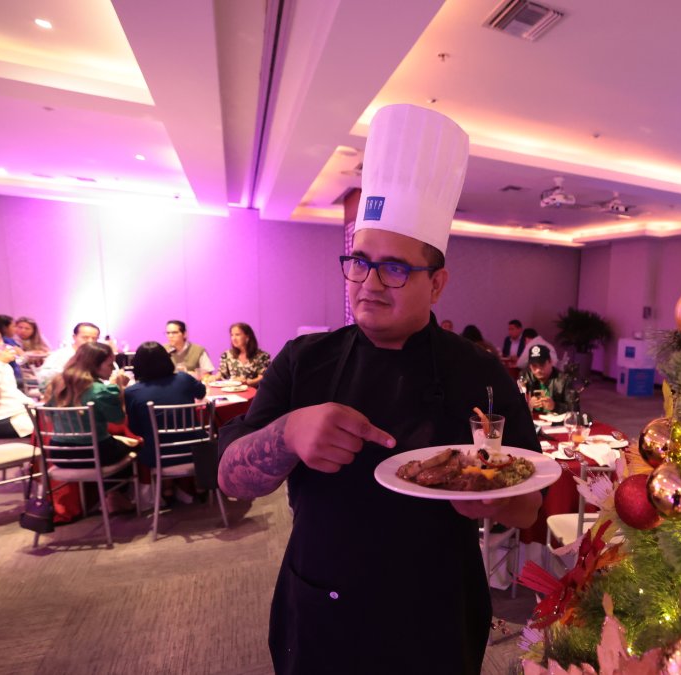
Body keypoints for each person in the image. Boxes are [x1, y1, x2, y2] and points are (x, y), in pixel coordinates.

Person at [217, 104, 540, 674]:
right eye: (359, 262)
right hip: (323, 601)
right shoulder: (304, 360)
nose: (369, 283)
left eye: (395, 269)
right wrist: (289, 433)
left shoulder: (481, 371)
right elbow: (231, 479)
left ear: (436, 283)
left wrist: (500, 498)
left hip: (437, 610)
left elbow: (530, 501)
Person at [43, 342, 136, 512]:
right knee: (134, 448)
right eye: (109, 365)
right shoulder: (99, 390)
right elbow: (118, 420)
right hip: (94, 452)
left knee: (117, 443)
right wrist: (119, 388)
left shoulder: (57, 383)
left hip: (58, 453)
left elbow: (48, 416)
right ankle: (115, 496)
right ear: (95, 365)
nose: (111, 369)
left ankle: (99, 498)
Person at [123, 341, 208, 500]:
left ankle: (167, 488)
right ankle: (200, 485)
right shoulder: (183, 379)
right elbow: (201, 393)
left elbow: (135, 430)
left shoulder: (131, 392)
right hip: (195, 451)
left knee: (150, 441)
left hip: (157, 455)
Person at [37, 322, 101, 390]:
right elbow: (42, 377)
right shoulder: (61, 354)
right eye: (85, 338)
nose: (90, 341)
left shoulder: (98, 355)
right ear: (74, 337)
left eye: (94, 338)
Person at [518, 343, 576, 414]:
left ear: (550, 362)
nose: (538, 370)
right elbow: (515, 403)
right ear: (529, 366)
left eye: (542, 365)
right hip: (533, 422)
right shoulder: (525, 376)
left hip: (557, 423)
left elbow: (575, 409)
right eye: (534, 366)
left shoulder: (564, 380)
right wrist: (528, 403)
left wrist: (555, 406)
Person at [0, 314, 24, 383]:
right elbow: (20, 359)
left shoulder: (8, 341)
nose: (16, 329)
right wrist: (23, 355)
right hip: (13, 377)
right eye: (13, 326)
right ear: (4, 328)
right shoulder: (6, 342)